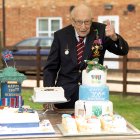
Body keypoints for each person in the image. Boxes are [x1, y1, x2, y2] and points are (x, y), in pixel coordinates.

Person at [43, 3, 129, 109]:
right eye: (79, 22)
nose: (83, 27)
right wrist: (48, 96)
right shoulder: (61, 35)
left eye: (87, 22)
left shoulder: (102, 31)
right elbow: (51, 68)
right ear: (72, 21)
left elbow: (123, 51)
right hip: (65, 96)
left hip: (93, 96)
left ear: (91, 20)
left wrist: (114, 37)